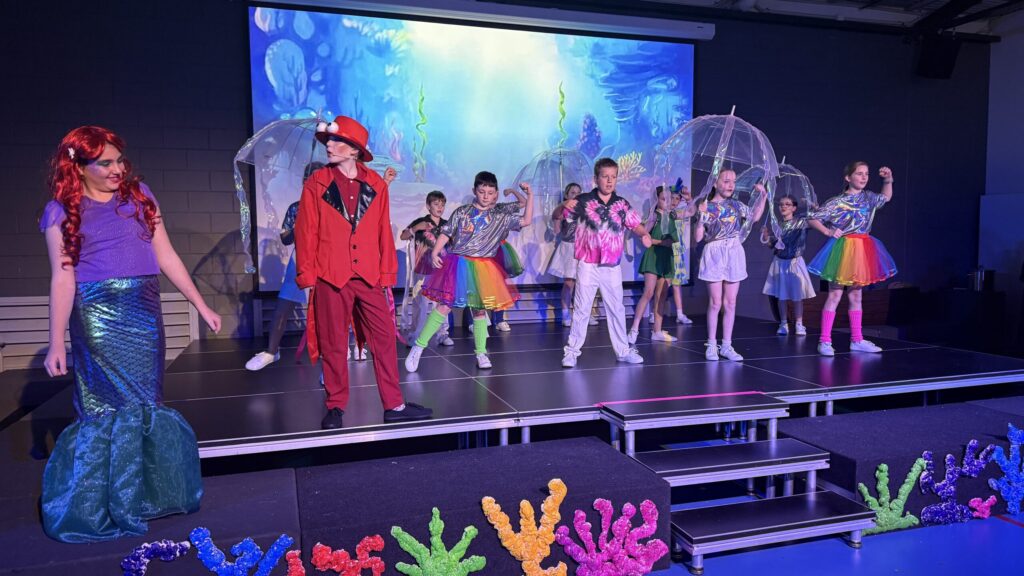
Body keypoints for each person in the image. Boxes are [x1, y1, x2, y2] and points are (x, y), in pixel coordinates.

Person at [40, 126, 222, 542]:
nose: (117, 169)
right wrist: (56, 341)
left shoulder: (140, 196)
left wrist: (201, 304)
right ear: (78, 167)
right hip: (98, 317)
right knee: (106, 407)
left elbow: (166, 255)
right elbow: (62, 278)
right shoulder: (60, 210)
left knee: (145, 403)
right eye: (105, 163)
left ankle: (146, 497)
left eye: (119, 160)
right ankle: (103, 504)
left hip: (143, 313)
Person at [296, 115, 432, 429]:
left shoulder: (376, 185)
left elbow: (383, 231)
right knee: (333, 343)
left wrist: (387, 274)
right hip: (331, 275)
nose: (329, 145)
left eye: (337, 141)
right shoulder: (317, 183)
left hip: (368, 275)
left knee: (384, 338)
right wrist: (307, 276)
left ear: (355, 150)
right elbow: (306, 232)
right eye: (329, 140)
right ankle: (335, 405)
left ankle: (394, 405)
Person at [405, 173, 532, 371]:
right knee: (444, 306)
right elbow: (446, 232)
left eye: (490, 192)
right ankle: (418, 347)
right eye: (482, 192)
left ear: (496, 194)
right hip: (460, 264)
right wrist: (436, 251)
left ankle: (481, 353)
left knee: (479, 310)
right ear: (474, 191)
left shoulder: (500, 215)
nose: (485, 196)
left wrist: (530, 195)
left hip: (484, 266)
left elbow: (526, 220)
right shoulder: (462, 212)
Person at [561, 158, 653, 368]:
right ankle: (572, 351)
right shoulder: (584, 201)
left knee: (616, 309)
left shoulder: (621, 204)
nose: (609, 181)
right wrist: (562, 206)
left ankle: (623, 351)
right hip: (588, 264)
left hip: (611, 266)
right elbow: (559, 216)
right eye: (605, 176)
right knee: (582, 309)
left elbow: (635, 224)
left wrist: (644, 234)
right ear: (596, 178)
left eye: (613, 177)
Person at [807, 162, 897, 356]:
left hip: (863, 248)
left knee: (856, 296)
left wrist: (888, 180)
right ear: (848, 177)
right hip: (844, 249)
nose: (864, 177)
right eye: (859, 174)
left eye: (866, 174)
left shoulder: (868, 197)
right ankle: (824, 340)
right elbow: (812, 217)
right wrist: (828, 231)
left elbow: (886, 197)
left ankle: (857, 339)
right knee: (835, 294)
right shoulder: (837, 201)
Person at [695, 170, 767, 362]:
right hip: (714, 251)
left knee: (731, 302)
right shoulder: (707, 206)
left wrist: (763, 197)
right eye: (726, 181)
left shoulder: (736, 205)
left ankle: (726, 345)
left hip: (734, 250)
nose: (730, 185)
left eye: (733, 182)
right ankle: (711, 344)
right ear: (715, 183)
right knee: (715, 302)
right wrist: (701, 219)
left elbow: (754, 217)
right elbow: (698, 237)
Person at [401, 190, 454, 347]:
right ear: (428, 206)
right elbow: (403, 236)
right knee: (420, 304)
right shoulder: (420, 222)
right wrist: (416, 228)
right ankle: (416, 335)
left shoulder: (447, 224)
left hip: (442, 270)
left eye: (442, 204)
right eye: (436, 204)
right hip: (422, 270)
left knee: (442, 303)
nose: (440, 207)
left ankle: (442, 334)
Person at [629, 185, 679, 343]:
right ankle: (634, 329)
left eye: (669, 199)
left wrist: (691, 199)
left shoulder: (672, 216)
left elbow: (690, 212)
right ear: (656, 200)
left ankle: (657, 330)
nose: (667, 202)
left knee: (661, 295)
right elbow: (644, 235)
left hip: (666, 257)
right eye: (663, 199)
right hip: (653, 256)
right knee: (649, 292)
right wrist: (660, 242)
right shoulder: (654, 216)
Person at [760, 194, 816, 335]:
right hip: (779, 262)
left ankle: (799, 324)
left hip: (795, 262)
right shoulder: (777, 225)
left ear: (794, 208)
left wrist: (813, 206)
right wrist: (766, 236)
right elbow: (772, 245)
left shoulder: (801, 222)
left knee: (797, 295)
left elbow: (818, 220)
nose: (783, 206)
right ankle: (784, 323)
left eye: (787, 204)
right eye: (781, 204)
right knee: (782, 295)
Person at [668, 184, 694, 325]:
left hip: (677, 251)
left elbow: (692, 211)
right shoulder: (663, 213)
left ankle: (679, 313)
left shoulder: (680, 212)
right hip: (665, 251)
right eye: (672, 198)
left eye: (677, 198)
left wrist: (689, 199)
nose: (674, 201)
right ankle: (654, 312)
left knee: (676, 283)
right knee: (662, 284)